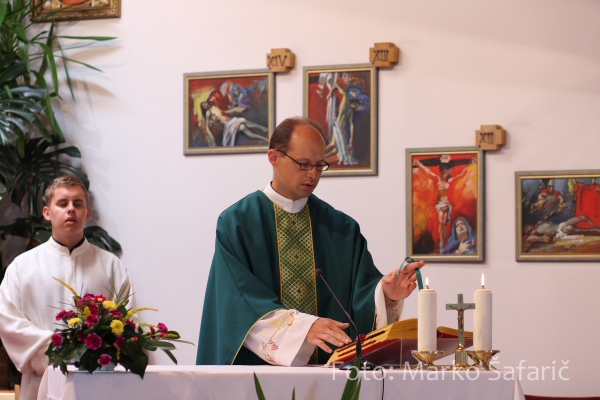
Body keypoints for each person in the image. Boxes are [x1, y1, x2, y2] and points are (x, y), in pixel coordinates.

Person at [197, 117, 424, 367]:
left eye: (319, 165)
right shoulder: (238, 223)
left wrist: (386, 294)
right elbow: (238, 302)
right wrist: (304, 328)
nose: (313, 174)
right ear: (274, 157)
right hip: (257, 374)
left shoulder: (341, 228)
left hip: (331, 375)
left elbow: (360, 297)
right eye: (304, 164)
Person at [0, 175, 133, 400]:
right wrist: (60, 350)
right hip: (41, 383)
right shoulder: (22, 267)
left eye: (78, 204)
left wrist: (94, 353)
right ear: (47, 213)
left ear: (87, 213)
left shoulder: (111, 266)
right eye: (62, 203)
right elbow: (8, 321)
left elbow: (127, 321)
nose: (71, 209)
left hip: (99, 382)